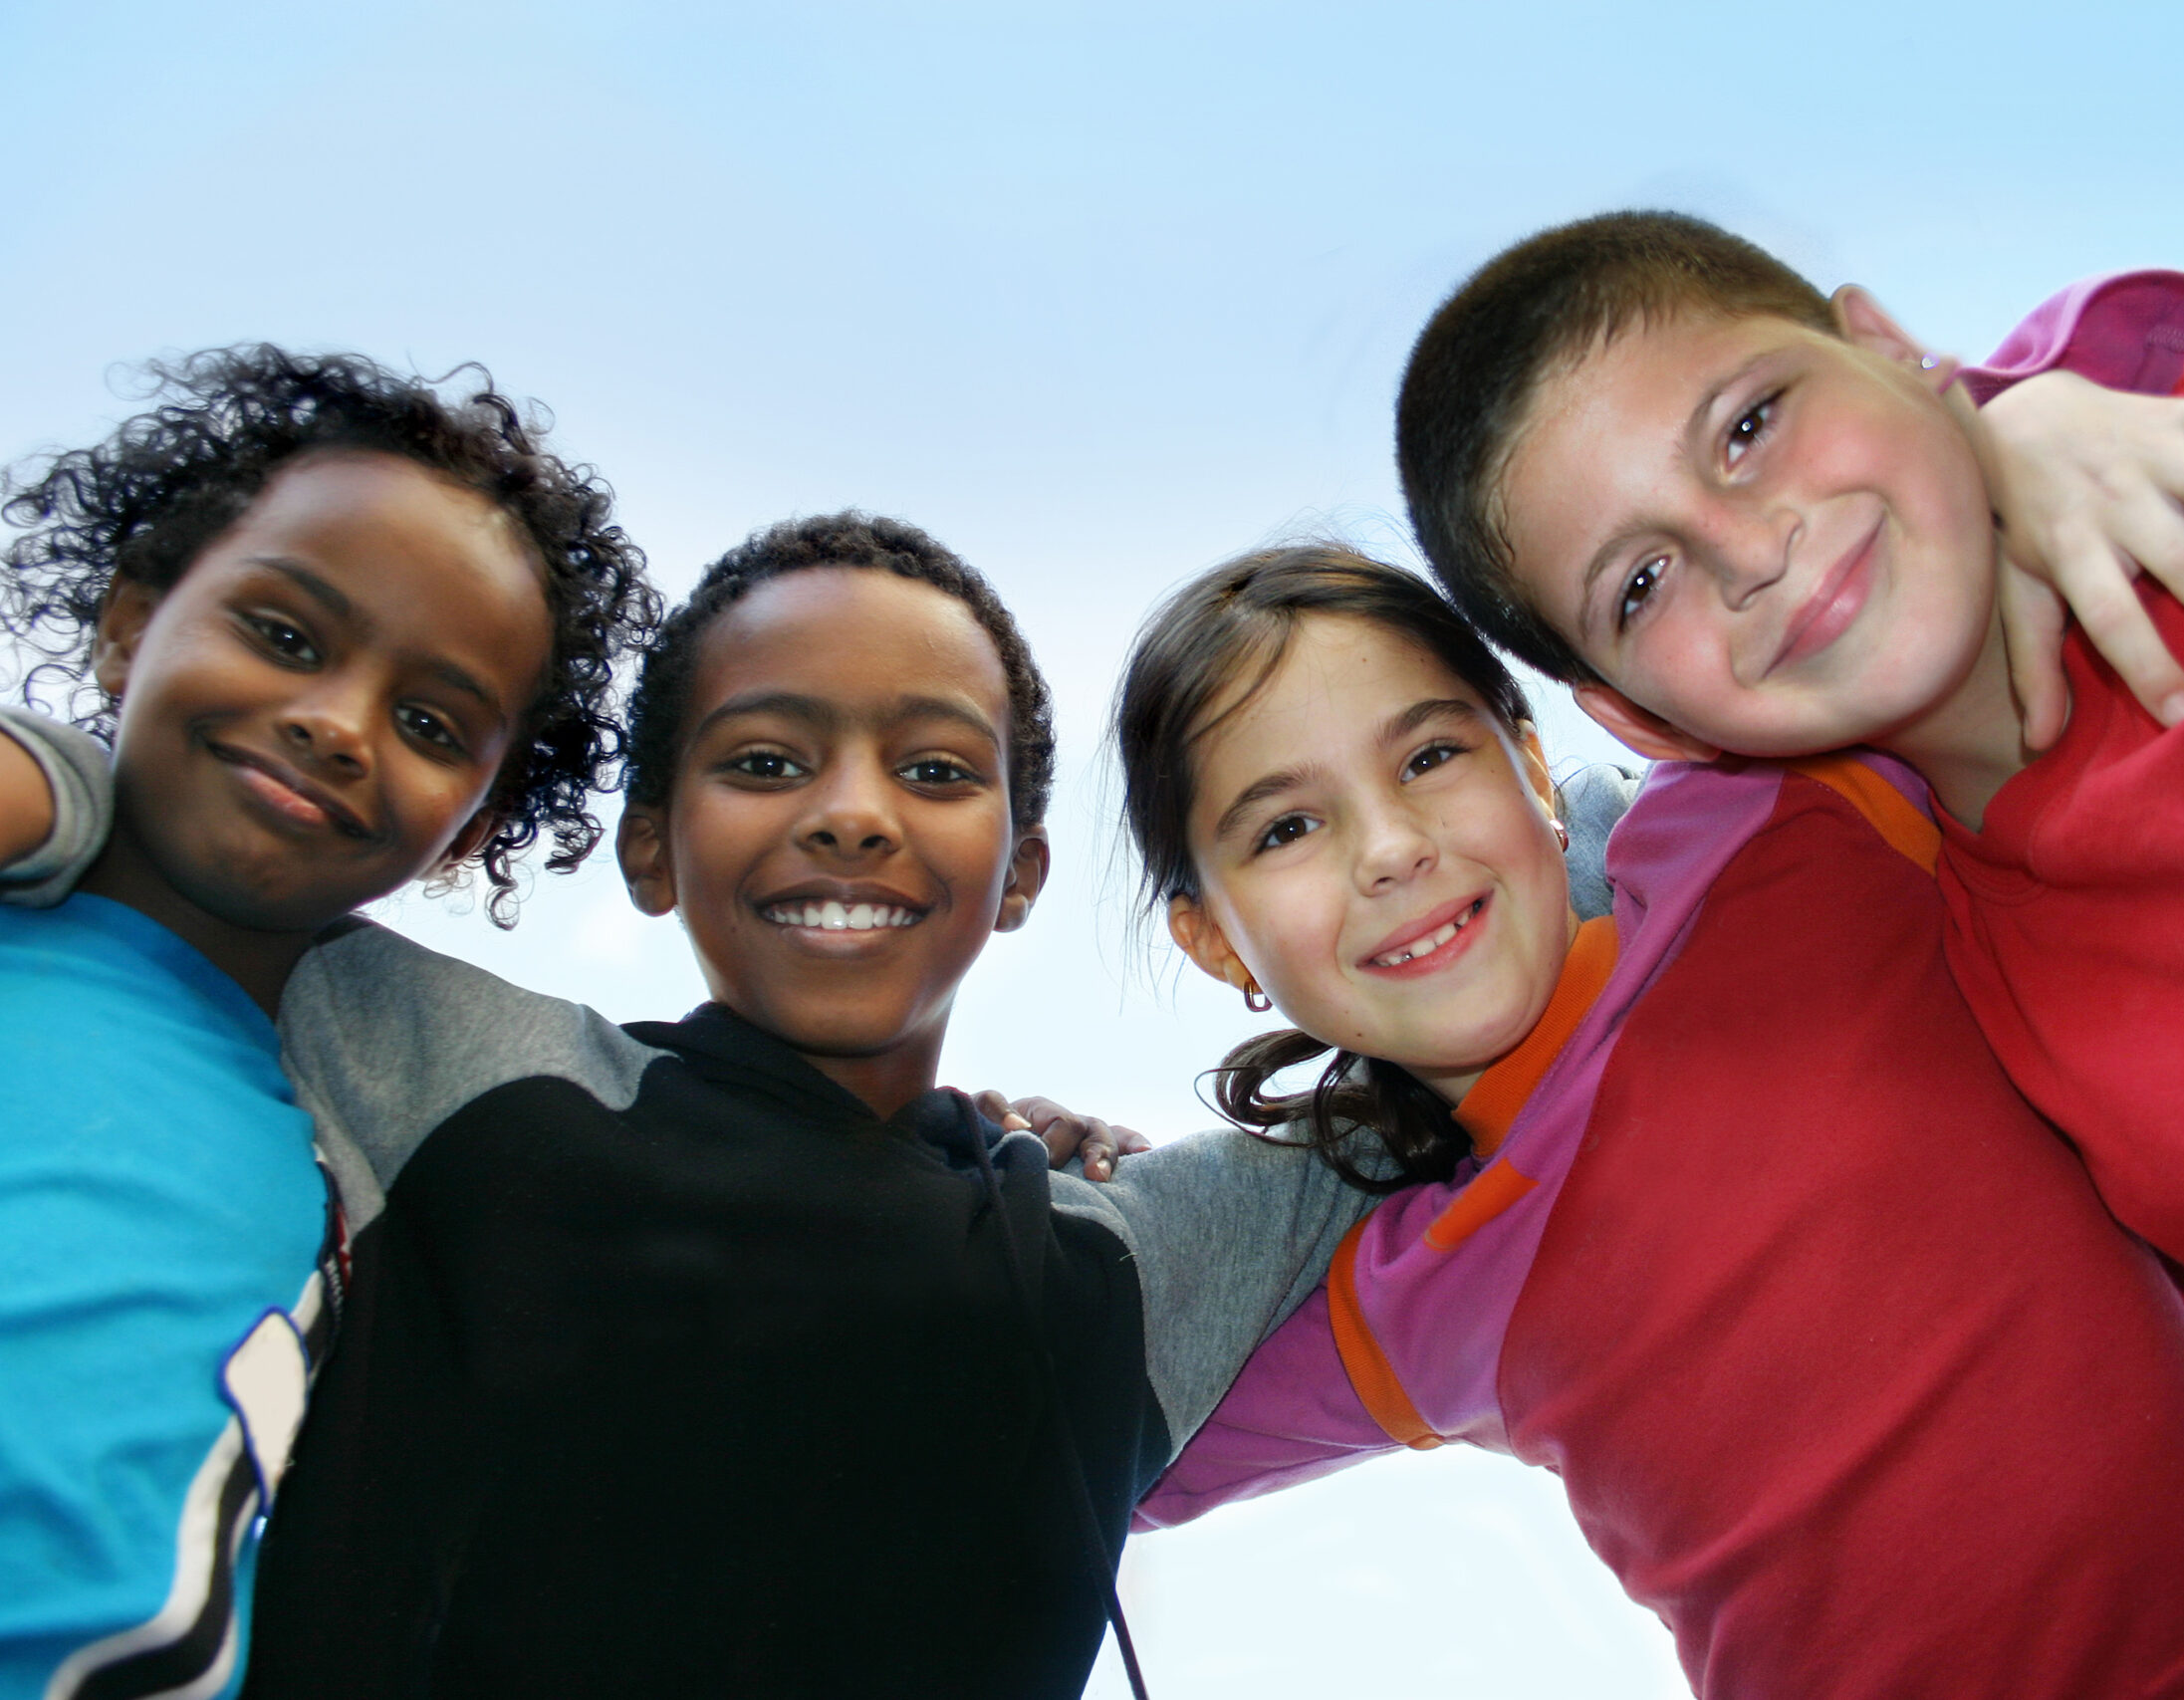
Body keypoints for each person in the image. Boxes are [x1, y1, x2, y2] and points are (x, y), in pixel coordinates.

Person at [1398, 209, 2184, 1697]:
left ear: (1884, 340)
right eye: (1640, 586)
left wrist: (2010, 400)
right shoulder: (1960, 967)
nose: (1749, 553)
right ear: (1637, 719)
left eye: (1750, 424)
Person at [166, 512, 1373, 1700]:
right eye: (764, 762)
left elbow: (1511, 961)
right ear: (650, 848)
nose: (851, 812)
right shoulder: (453, 1071)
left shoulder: (1119, 1259)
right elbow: (142, 831)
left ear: (1021, 874)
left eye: (936, 770)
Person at [1111, 545, 2184, 1700]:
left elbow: (1975, 588)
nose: (1390, 849)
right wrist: (984, 1164)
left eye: (1431, 756)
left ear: (1533, 767)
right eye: (1286, 828)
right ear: (1219, 941)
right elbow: (1057, 1451)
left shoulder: (1777, 830)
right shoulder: (1405, 1300)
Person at [0, 345, 656, 1700]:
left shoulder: (366, 1162)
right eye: (285, 635)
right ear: (133, 623)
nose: (339, 724)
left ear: (469, 824)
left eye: (429, 719)